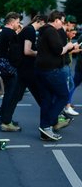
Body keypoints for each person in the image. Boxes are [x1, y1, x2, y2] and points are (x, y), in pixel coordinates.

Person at [35, 10, 75, 141]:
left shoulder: (43, 30)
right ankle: (49, 123)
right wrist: (68, 46)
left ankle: (45, 130)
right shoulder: (51, 31)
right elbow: (58, 50)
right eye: (62, 22)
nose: (63, 25)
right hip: (51, 70)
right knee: (63, 95)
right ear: (56, 20)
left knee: (47, 98)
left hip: (41, 69)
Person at [0, 12, 23, 132]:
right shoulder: (11, 33)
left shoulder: (3, 32)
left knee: (8, 93)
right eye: (18, 22)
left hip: (3, 66)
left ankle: (4, 116)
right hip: (10, 67)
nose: (19, 24)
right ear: (12, 22)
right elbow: (15, 52)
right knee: (11, 94)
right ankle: (6, 120)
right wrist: (17, 64)